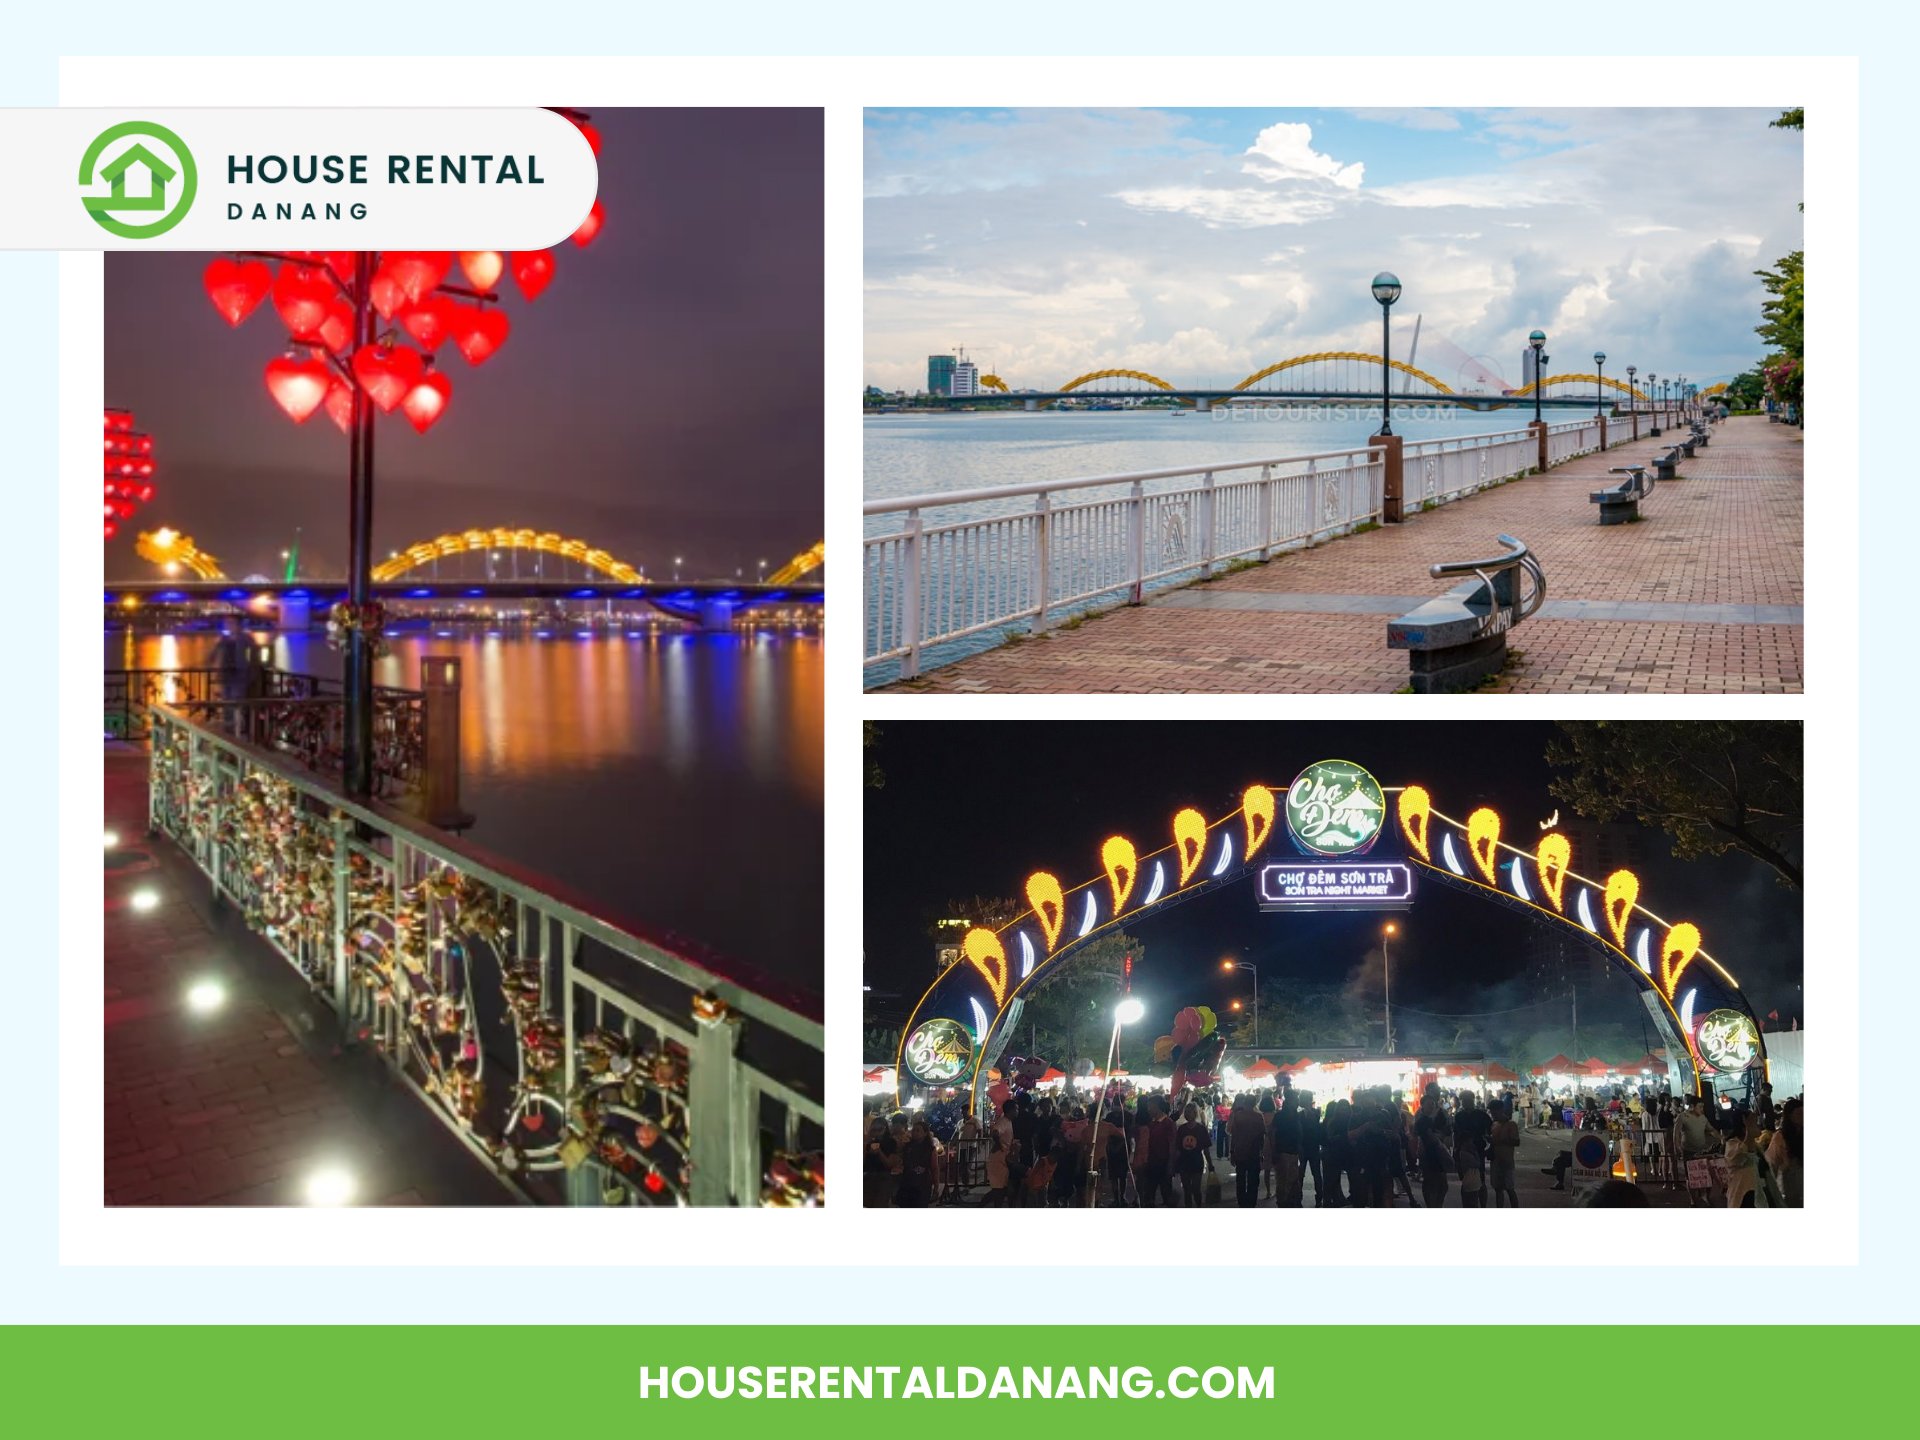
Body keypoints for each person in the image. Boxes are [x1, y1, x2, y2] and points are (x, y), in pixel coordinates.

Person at [208, 615, 250, 736]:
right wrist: (208, 663)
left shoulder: (245, 639)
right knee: (227, 703)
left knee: (237, 703)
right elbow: (213, 654)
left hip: (240, 677)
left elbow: (254, 657)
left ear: (239, 625)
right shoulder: (224, 640)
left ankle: (240, 730)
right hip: (226, 676)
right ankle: (229, 731)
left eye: (231, 623)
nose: (229, 625)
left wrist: (250, 673)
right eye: (227, 623)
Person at [1414, 1085, 1452, 1209]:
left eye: (1437, 1091)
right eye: (1434, 1092)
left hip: (1439, 1149)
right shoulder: (1422, 1114)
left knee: (1441, 1183)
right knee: (1431, 1181)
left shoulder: (1440, 1110)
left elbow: (1447, 1130)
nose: (1437, 1094)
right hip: (1428, 1150)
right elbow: (1420, 1133)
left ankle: (1436, 1205)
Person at [1227, 1093, 1266, 1208]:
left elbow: (1234, 1136)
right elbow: (1261, 1137)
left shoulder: (1238, 1116)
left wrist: (1232, 1152)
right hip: (1254, 1152)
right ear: (1254, 1103)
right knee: (1253, 1180)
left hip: (1240, 1152)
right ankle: (1251, 1203)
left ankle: (1242, 1202)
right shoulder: (1258, 1117)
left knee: (1240, 1179)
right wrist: (1261, 1152)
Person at [1174, 1102, 1212, 1207]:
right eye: (1186, 1112)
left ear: (1195, 1113)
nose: (1187, 1114)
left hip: (1196, 1161)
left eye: (1189, 1112)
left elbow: (1206, 1148)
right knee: (1186, 1189)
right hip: (1184, 1162)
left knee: (1196, 1188)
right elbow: (1178, 1148)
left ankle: (1198, 1205)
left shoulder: (1201, 1129)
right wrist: (1174, 1163)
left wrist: (1210, 1164)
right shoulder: (1181, 1129)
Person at [1767, 1099, 1803, 1208]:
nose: (1803, 1116)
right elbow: (1772, 1164)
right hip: (1791, 1186)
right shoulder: (1780, 1137)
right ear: (1789, 1116)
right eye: (1799, 1113)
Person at [895, 1115, 937, 1208]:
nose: (915, 1133)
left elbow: (934, 1168)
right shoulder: (907, 1146)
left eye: (918, 1130)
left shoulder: (930, 1149)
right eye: (914, 1130)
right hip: (907, 1183)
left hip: (923, 1184)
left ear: (925, 1133)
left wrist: (936, 1187)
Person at [1271, 1090, 1304, 1207]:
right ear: (1291, 1100)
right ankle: (1283, 1203)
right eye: (1296, 1099)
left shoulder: (1294, 1115)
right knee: (1284, 1181)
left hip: (1293, 1152)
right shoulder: (1282, 1115)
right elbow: (1273, 1134)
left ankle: (1289, 1201)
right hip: (1283, 1152)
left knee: (1292, 1180)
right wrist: (1274, 1151)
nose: (1298, 1101)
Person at [1096, 1102, 1131, 1208]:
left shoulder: (1127, 1116)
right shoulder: (1109, 1116)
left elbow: (1128, 1133)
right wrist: (1111, 1145)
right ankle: (1117, 1198)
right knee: (1114, 1176)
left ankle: (1122, 1197)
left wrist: (1119, 1145)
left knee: (1122, 1175)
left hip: (1123, 1148)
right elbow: (1107, 1133)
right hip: (1112, 1148)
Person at [1488, 1102, 1521, 1208]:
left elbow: (1516, 1142)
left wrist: (1498, 1140)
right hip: (1496, 1161)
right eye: (1492, 1112)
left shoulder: (1511, 1124)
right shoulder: (1494, 1124)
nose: (1493, 1114)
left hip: (1507, 1162)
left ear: (1501, 1110)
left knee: (1510, 1189)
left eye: (1495, 1111)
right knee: (1498, 1189)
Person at [863, 1114, 900, 1208]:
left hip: (883, 1178)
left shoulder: (891, 1142)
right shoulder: (869, 1142)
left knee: (879, 1204)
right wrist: (866, 1146)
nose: (876, 1133)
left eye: (878, 1130)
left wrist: (879, 1152)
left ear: (884, 1129)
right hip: (868, 1176)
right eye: (873, 1130)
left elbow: (889, 1164)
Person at [1298, 1094, 1325, 1206]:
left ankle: (1299, 1198)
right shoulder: (1316, 1113)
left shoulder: (1300, 1114)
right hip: (1312, 1147)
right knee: (1316, 1174)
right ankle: (1318, 1197)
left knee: (1302, 1174)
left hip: (1304, 1147)